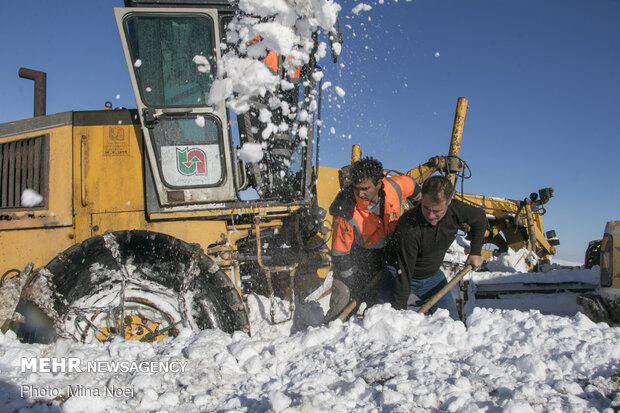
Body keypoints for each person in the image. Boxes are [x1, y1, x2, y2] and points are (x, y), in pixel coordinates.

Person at [324, 157, 419, 322]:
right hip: (355, 258)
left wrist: (419, 212)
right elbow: (340, 254)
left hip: (387, 256)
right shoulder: (345, 210)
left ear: (379, 183)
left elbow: (413, 187)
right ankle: (328, 334)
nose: (360, 193)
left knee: (379, 307)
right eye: (356, 188)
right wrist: (355, 282)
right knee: (343, 303)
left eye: (365, 188)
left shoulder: (394, 186)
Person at [390, 175, 487, 320]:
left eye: (437, 211)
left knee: (452, 325)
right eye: (426, 208)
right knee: (384, 318)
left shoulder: (456, 211)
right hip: (398, 274)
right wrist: (397, 316)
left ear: (449, 201)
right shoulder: (409, 226)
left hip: (432, 278)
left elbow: (479, 217)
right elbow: (403, 272)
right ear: (421, 196)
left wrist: (475, 252)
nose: (430, 215)